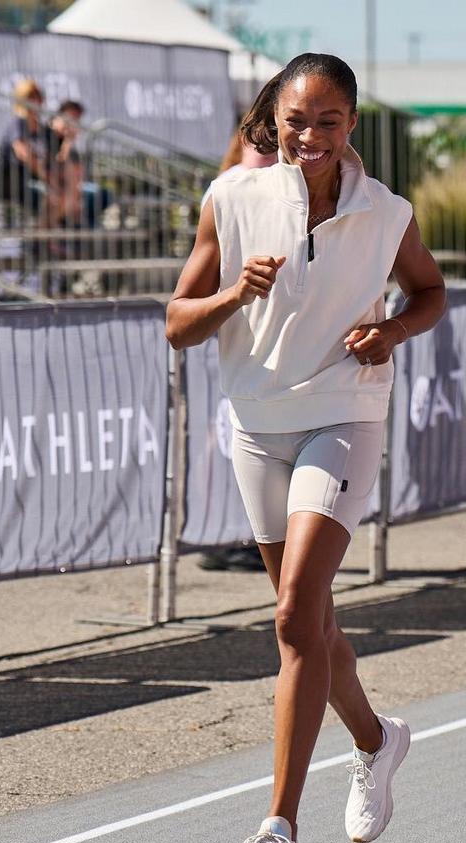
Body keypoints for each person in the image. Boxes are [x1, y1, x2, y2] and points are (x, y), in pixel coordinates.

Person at [166, 53, 447, 843]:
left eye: (329, 121)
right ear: (275, 120)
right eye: (297, 120)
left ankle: (277, 835)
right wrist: (231, 297)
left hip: (344, 413)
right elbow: (178, 324)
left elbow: (429, 293)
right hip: (257, 424)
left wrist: (391, 334)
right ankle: (375, 739)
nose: (312, 136)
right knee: (312, 624)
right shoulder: (232, 198)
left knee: (293, 614)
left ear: (352, 125)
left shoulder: (386, 211)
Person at [196, 136, 280, 573]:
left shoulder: (281, 184)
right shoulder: (229, 188)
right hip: (234, 333)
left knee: (239, 436)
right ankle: (226, 534)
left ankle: (239, 534)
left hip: (255, 336)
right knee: (229, 435)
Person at [0, 78, 63, 227]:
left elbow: (53, 159)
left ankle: (46, 239)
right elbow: (24, 154)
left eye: (38, 97)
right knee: (54, 198)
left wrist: (67, 139)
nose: (35, 102)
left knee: (71, 196)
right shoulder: (18, 123)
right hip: (16, 183)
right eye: (30, 97)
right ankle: (40, 241)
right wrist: (48, 179)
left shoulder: (43, 129)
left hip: (36, 181)